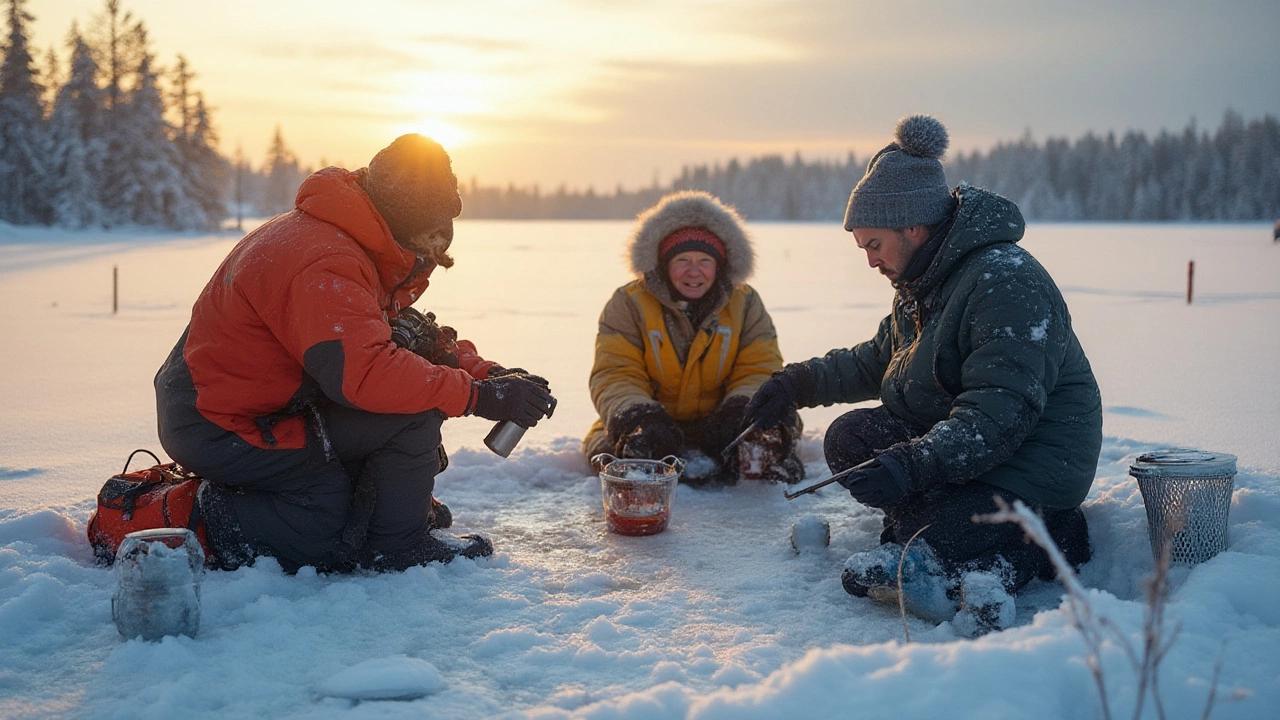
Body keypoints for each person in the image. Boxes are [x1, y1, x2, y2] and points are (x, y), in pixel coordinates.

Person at [744, 116, 1101, 634]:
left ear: (912, 227)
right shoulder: (924, 281)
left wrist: (913, 464)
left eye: (873, 244)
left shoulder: (1006, 283)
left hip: (1032, 461)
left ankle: (1046, 536)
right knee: (851, 440)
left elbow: (999, 414)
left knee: (938, 526)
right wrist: (796, 383)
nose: (870, 261)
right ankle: (943, 529)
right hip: (970, 449)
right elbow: (876, 359)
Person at [154, 134, 556, 573]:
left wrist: (490, 375)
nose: (431, 258)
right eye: (429, 244)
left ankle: (386, 523)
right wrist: (479, 396)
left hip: (261, 407)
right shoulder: (327, 260)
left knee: (404, 412)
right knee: (329, 521)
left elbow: (407, 340)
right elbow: (367, 373)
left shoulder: (353, 234)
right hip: (219, 425)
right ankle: (192, 516)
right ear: (406, 223)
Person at [583, 191, 803, 484]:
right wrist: (638, 415)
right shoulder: (628, 303)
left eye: (704, 260)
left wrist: (740, 409)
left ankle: (762, 470)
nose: (694, 271)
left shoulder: (745, 303)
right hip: (654, 422)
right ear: (664, 264)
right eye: (682, 260)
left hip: (724, 421)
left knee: (773, 424)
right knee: (615, 449)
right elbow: (616, 372)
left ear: (719, 265)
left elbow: (759, 366)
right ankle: (641, 467)